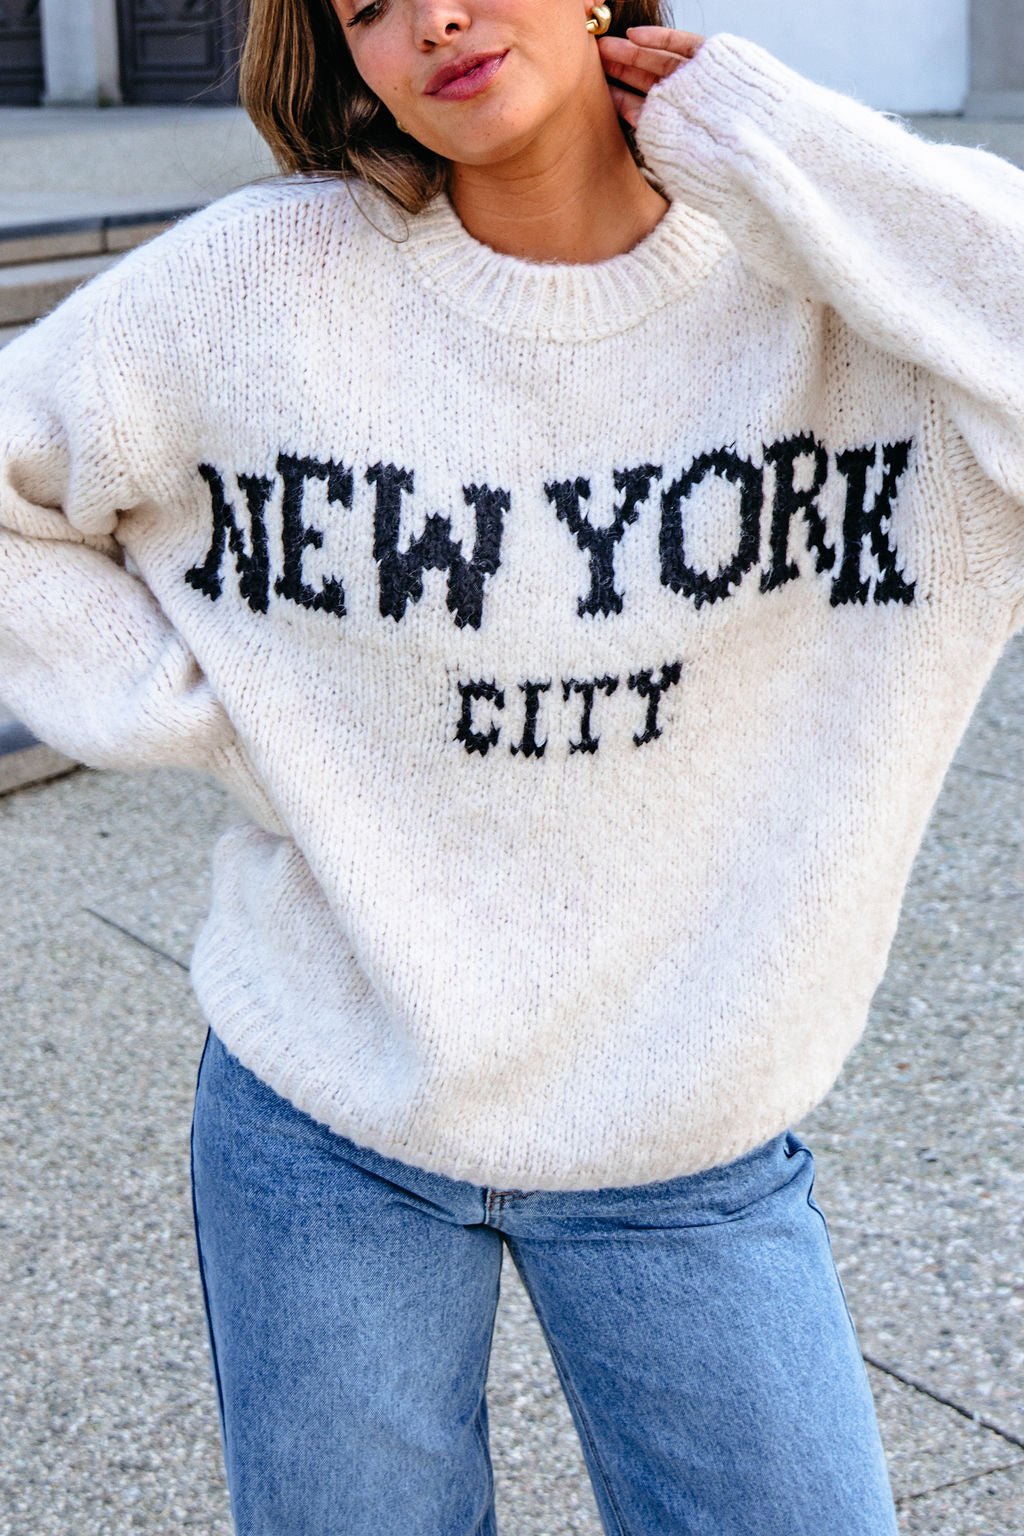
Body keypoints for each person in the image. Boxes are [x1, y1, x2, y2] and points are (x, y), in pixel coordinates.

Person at [0, 0, 1021, 1531]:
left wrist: (779, 144)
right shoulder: (251, 289)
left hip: (688, 1135)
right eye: (368, 6)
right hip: (328, 1120)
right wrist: (211, 713)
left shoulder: (844, 301)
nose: (435, 19)